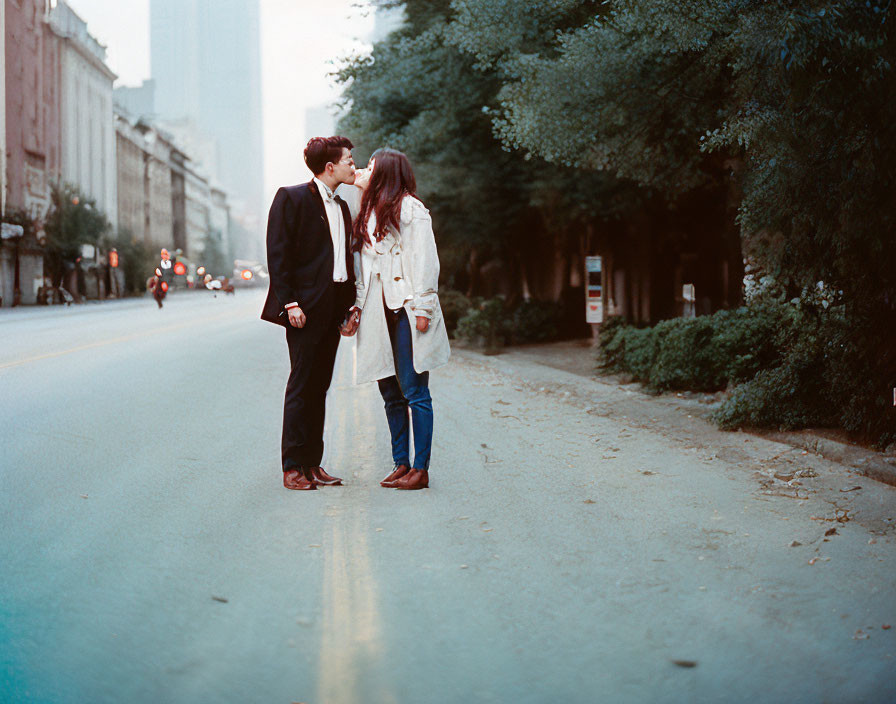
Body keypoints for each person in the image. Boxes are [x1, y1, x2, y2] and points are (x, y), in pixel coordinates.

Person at [348, 149, 450, 490]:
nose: (364, 169)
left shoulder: (410, 208)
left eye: (371, 166)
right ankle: (400, 463)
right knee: (389, 390)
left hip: (406, 309)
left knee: (415, 391)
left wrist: (423, 309)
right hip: (379, 312)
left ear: (387, 171)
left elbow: (425, 260)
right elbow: (364, 270)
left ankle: (420, 469)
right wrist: (357, 309)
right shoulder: (368, 212)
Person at [261, 136, 358, 491]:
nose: (353, 165)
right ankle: (292, 467)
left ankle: (313, 464)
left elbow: (344, 261)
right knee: (301, 385)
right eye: (349, 159)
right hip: (303, 309)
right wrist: (289, 303)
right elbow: (279, 253)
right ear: (330, 166)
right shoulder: (293, 197)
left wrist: (348, 309)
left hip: (332, 308)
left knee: (320, 387)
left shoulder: (343, 206)